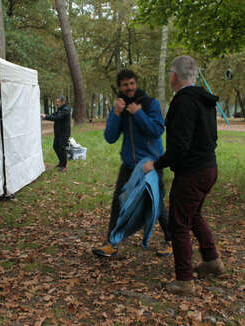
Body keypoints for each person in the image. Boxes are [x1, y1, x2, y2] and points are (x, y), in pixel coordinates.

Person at [143, 55, 226, 295]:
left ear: (174, 76)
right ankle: (212, 262)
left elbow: (179, 147)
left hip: (192, 173)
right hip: (209, 168)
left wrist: (156, 164)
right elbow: (212, 138)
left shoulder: (184, 102)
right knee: (194, 214)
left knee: (179, 224)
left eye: (170, 72)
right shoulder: (204, 100)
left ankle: (185, 280)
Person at [92, 69, 172, 258]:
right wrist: (117, 114)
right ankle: (111, 243)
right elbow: (110, 137)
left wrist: (138, 114)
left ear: (136, 83)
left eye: (132, 83)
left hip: (151, 164)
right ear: (120, 87)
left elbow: (156, 131)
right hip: (129, 164)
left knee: (156, 204)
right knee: (118, 203)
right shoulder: (120, 106)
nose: (129, 88)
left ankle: (171, 240)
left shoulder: (150, 103)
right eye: (125, 85)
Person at [41, 96, 71, 172]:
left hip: (64, 133)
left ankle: (64, 166)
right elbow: (54, 115)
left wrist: (46, 117)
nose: (57, 103)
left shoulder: (66, 110)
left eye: (58, 102)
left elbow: (57, 117)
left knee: (62, 148)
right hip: (58, 132)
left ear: (63, 102)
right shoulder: (60, 108)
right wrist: (46, 115)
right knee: (55, 147)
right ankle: (61, 163)